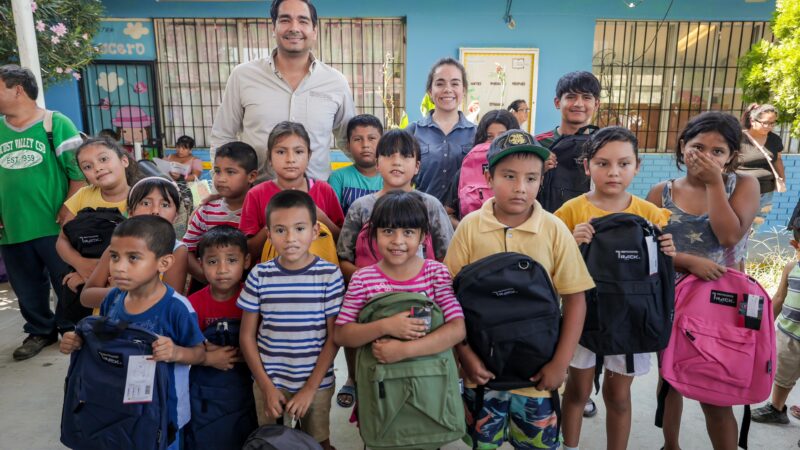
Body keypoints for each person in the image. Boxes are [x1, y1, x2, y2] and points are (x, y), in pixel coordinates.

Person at [444, 129, 595, 450]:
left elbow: (576, 299)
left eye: (530, 178)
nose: (520, 188)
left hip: (537, 379)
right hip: (482, 375)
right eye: (508, 176)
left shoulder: (554, 229)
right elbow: (448, 297)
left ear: (542, 179)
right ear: (488, 176)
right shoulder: (470, 227)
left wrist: (560, 363)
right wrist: (465, 355)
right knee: (482, 444)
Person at [555, 126, 675, 450]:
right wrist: (569, 241)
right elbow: (549, 261)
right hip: (582, 317)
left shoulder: (650, 214)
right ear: (587, 166)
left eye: (624, 164)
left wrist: (669, 251)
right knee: (577, 391)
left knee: (619, 396)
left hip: (632, 320)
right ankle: (570, 445)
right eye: (603, 163)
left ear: (638, 166)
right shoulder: (570, 212)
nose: (613, 172)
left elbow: (660, 270)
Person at [646, 111, 760, 450]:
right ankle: (671, 444)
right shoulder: (660, 192)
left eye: (718, 151)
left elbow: (728, 236)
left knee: (718, 389)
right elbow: (649, 250)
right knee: (670, 379)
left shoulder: (744, 184)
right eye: (698, 147)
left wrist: (714, 184)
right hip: (672, 299)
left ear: (731, 157)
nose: (707, 157)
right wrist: (685, 261)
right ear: (682, 148)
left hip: (722, 304)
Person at [60, 215, 206, 450]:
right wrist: (78, 342)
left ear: (164, 263)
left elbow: (199, 353)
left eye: (133, 258)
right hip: (121, 406)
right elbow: (104, 342)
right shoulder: (114, 298)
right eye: (115, 257)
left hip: (164, 412)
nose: (119, 267)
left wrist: (176, 352)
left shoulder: (177, 308)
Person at [333, 191, 465, 417]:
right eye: (388, 231)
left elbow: (457, 329)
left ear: (424, 236)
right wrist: (386, 326)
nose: (398, 241)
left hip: (429, 386)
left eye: (408, 232)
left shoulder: (436, 274)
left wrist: (404, 350)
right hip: (381, 393)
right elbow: (342, 334)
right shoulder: (363, 279)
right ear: (373, 235)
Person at [239, 190, 343, 450]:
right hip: (269, 383)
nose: (290, 239)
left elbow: (334, 338)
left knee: (318, 442)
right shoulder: (260, 275)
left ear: (315, 230)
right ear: (269, 233)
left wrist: (309, 388)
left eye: (299, 228)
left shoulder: (329, 275)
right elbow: (246, 337)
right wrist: (266, 387)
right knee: (269, 441)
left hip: (316, 384)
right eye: (280, 230)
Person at [210, 0, 355, 182]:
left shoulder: (335, 81)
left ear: (314, 31)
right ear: (274, 28)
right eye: (285, 20)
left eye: (303, 21)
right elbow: (223, 135)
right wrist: (221, 186)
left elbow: (349, 141)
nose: (294, 28)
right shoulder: (243, 76)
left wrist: (382, 178)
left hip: (316, 202)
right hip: (256, 197)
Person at [0, 64, 85, 360]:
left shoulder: (55, 123)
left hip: (55, 225)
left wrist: (69, 208)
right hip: (12, 227)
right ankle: (40, 330)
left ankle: (72, 328)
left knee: (66, 280)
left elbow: (79, 173)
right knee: (25, 285)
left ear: (18, 90)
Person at [238, 121, 344, 264]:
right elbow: (248, 252)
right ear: (269, 157)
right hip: (272, 281)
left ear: (309, 156)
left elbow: (342, 243)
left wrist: (320, 217)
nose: (290, 159)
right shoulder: (256, 194)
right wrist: (276, 222)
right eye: (281, 152)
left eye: (299, 151)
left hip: (318, 279)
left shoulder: (324, 191)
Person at [81, 177, 190, 309]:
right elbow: (86, 296)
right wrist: (128, 294)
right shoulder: (117, 247)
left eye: (165, 205)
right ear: (131, 212)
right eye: (145, 203)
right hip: (111, 325)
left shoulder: (176, 250)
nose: (155, 210)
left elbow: (167, 303)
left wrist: (121, 291)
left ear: (176, 215)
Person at [56, 138, 139, 295]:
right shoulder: (82, 195)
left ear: (124, 161)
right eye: (88, 166)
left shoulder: (140, 198)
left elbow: (143, 251)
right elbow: (62, 240)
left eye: (103, 159)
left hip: (125, 284)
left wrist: (96, 275)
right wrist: (81, 265)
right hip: (81, 281)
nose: (98, 168)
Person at [184, 141, 258, 283]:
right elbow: (186, 251)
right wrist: (209, 279)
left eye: (230, 172)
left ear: (252, 176)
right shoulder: (206, 210)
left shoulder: (259, 212)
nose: (221, 178)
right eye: (217, 171)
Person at [405, 57, 476, 203]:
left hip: (462, 219)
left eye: (455, 83)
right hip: (423, 216)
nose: (448, 89)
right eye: (440, 83)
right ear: (430, 91)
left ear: (463, 91)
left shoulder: (477, 133)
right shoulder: (413, 132)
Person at [752, 218, 800, 425]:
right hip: (789, 334)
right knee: (782, 375)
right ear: (796, 245)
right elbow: (779, 298)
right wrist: (763, 327)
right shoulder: (791, 268)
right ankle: (777, 408)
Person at [443, 109, 519, 224]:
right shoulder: (465, 171)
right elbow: (447, 213)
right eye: (489, 137)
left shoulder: (525, 171)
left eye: (502, 137)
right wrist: (466, 231)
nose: (495, 142)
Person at [188, 225, 250, 366]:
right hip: (204, 381)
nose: (222, 270)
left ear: (246, 261)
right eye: (212, 262)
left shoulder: (253, 298)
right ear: (201, 264)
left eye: (232, 260)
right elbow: (187, 345)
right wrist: (206, 354)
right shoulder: (192, 304)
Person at [738, 103, 785, 232]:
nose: (769, 127)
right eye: (765, 123)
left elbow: (778, 160)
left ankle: (741, 250)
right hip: (740, 190)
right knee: (737, 226)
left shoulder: (774, 139)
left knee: (752, 229)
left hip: (765, 191)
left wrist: (781, 179)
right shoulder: (738, 138)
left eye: (772, 123)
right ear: (753, 121)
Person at [328, 114, 384, 215]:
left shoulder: (391, 177)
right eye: (358, 139)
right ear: (348, 145)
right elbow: (333, 218)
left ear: (382, 142)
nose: (365, 145)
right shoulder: (338, 178)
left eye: (371, 138)